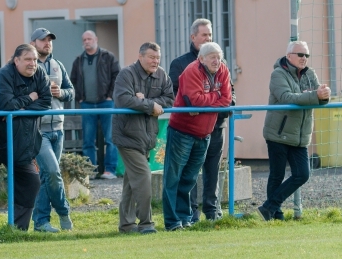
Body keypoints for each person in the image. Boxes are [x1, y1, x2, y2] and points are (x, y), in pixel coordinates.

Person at [0, 44, 51, 232]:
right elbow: (5, 105)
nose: (32, 63)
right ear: (16, 61)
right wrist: (30, 98)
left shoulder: (40, 74)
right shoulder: (4, 75)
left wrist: (19, 109)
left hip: (23, 144)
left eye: (35, 59)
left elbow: (46, 101)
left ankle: (17, 230)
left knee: (31, 182)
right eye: (28, 59)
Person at [169, 19, 236, 222]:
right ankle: (191, 214)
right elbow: (184, 99)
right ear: (193, 37)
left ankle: (212, 212)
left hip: (217, 125)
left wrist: (220, 105)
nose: (208, 38)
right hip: (189, 128)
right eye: (204, 35)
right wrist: (216, 101)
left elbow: (230, 96)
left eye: (210, 34)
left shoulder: (221, 64)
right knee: (189, 172)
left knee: (212, 170)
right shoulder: (181, 64)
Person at [258, 41, 329, 221]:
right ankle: (276, 214)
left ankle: (269, 208)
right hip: (278, 134)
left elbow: (317, 98)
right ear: (289, 56)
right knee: (277, 175)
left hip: (300, 136)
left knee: (302, 174)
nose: (304, 58)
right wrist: (315, 96)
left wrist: (324, 96)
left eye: (306, 55)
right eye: (300, 54)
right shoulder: (278, 74)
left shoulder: (310, 74)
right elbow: (286, 97)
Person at [112, 42, 174, 235]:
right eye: (151, 57)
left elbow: (170, 99)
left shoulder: (162, 75)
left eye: (158, 58)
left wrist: (144, 101)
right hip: (127, 137)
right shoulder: (126, 74)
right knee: (144, 177)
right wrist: (149, 105)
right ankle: (146, 223)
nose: (155, 61)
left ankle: (126, 225)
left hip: (147, 137)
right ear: (140, 57)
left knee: (132, 183)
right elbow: (123, 99)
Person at [30, 28, 75, 233]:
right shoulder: (29, 66)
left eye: (49, 40)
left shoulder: (58, 65)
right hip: (38, 130)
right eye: (43, 40)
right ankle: (64, 212)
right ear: (33, 43)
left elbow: (71, 91)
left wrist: (61, 92)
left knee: (47, 176)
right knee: (53, 173)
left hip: (58, 128)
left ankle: (41, 222)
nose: (47, 43)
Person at [70, 30, 120, 178]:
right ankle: (90, 171)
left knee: (110, 138)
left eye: (89, 39)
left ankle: (110, 170)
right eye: (84, 39)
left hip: (106, 103)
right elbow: (72, 81)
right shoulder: (79, 60)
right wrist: (79, 97)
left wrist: (110, 95)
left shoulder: (108, 57)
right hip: (87, 104)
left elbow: (117, 76)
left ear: (96, 39)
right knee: (88, 140)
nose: (87, 42)